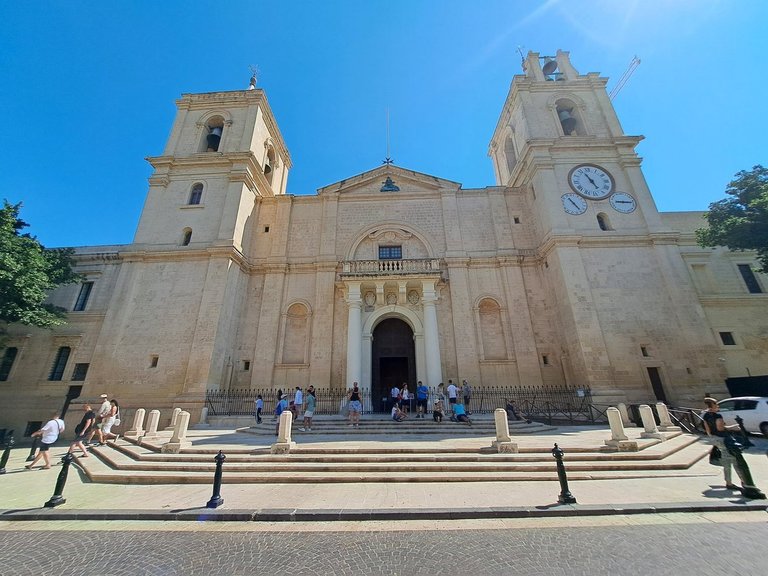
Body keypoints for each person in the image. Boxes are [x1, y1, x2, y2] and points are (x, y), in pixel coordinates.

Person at [702, 397, 766, 499]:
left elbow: (707, 429)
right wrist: (733, 427)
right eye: (717, 405)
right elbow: (720, 428)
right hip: (724, 439)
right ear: (712, 406)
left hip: (715, 439)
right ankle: (744, 483)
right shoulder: (717, 415)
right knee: (735, 460)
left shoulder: (705, 415)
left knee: (727, 461)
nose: (718, 406)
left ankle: (730, 482)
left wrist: (713, 438)